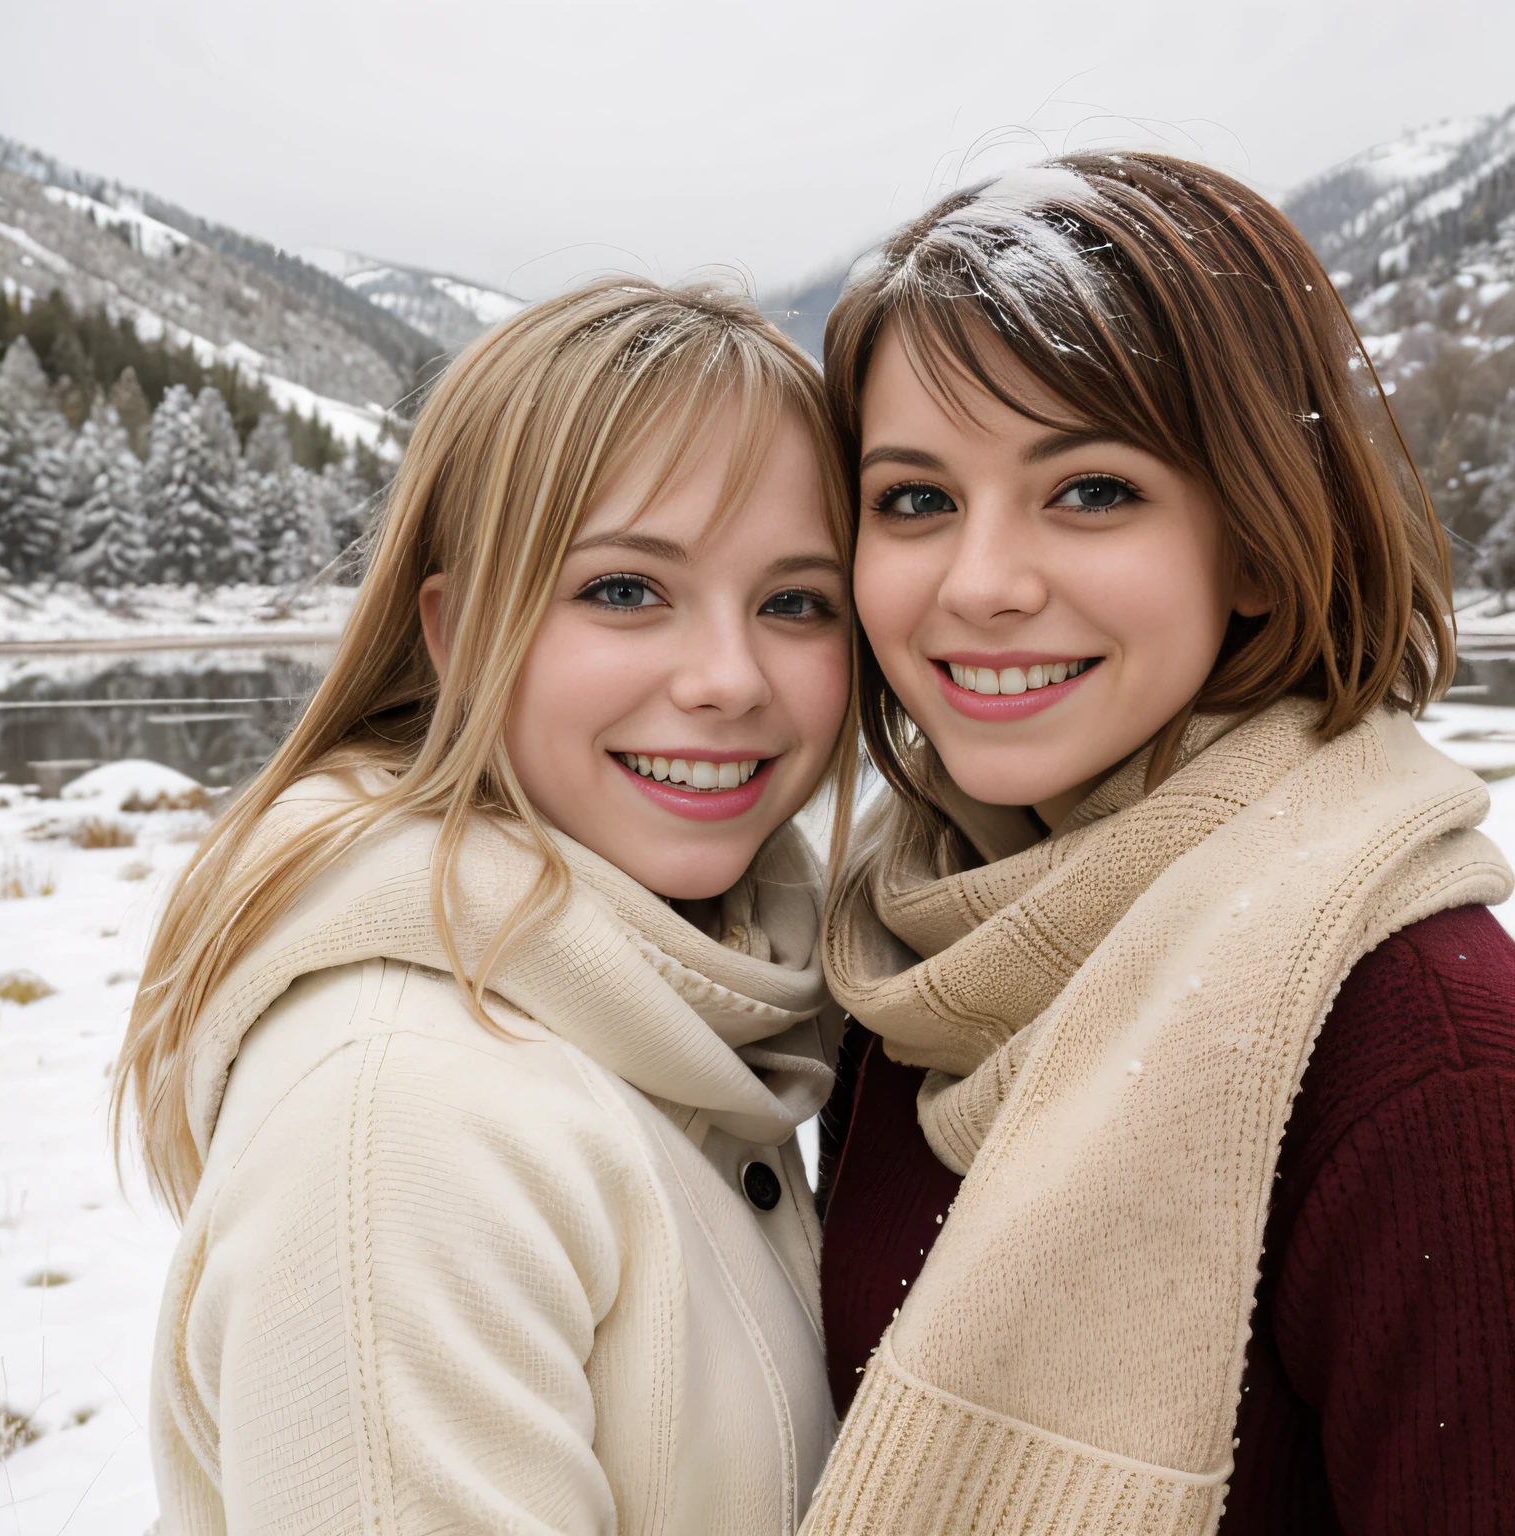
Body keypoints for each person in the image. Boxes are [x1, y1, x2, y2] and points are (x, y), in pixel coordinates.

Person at [805, 155, 1515, 1534]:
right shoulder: (914, 966)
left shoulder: (1425, 1059)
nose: (982, 583)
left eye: (1090, 492)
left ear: (1253, 541)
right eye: (913, 499)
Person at [114, 278, 859, 1534]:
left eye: (795, 602)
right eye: (626, 589)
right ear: (460, 635)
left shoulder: (706, 979)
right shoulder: (401, 1124)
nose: (732, 680)